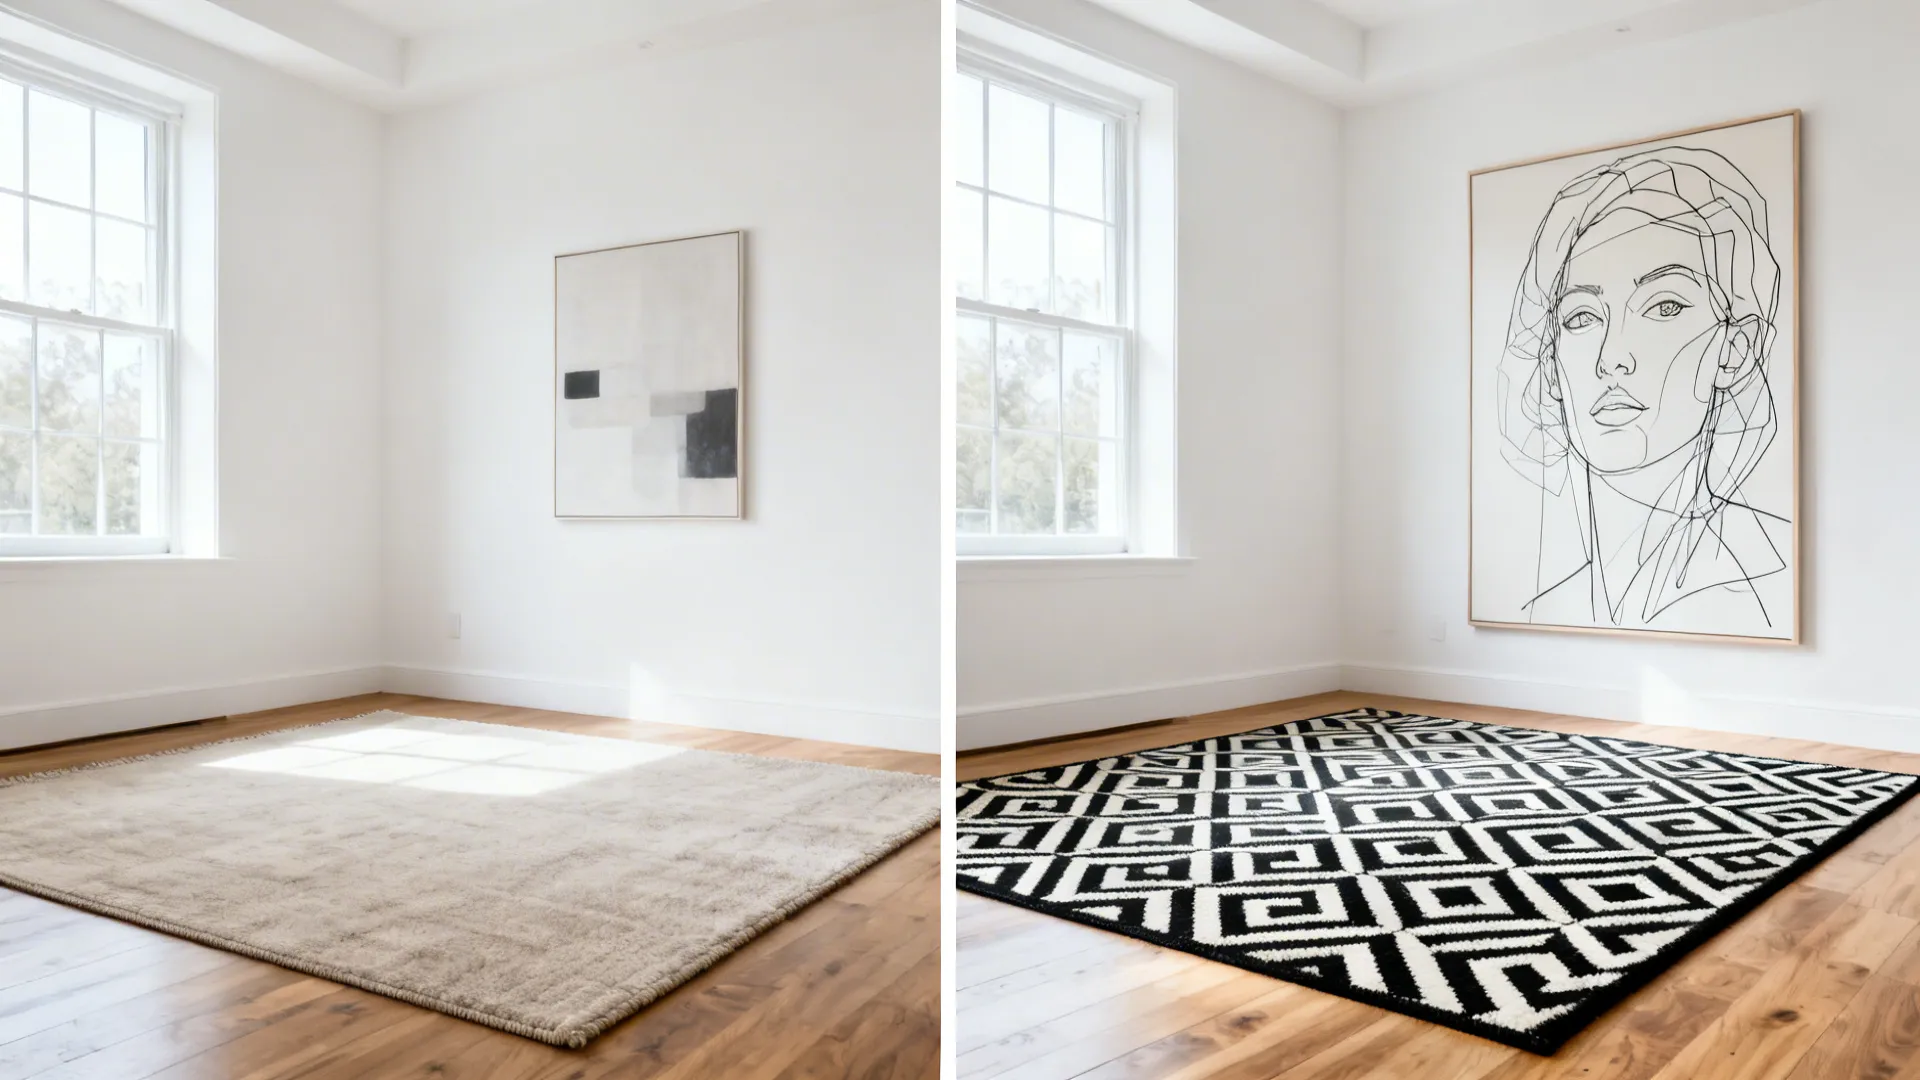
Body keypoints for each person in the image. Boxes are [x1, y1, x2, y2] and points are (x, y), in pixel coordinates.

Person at [1495, 145, 1791, 632]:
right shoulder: (1545, 609)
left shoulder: (1769, 582)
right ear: (1550, 363)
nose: (1613, 357)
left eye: (1665, 307)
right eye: (1582, 317)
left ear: (1735, 350)